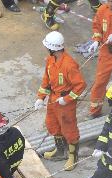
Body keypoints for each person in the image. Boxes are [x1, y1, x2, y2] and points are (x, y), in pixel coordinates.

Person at [35, 31, 86, 170]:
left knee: (69, 129)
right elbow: (46, 80)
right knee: (52, 124)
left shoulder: (69, 65)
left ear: (52, 48)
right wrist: (40, 98)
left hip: (65, 103)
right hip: (53, 99)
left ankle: (73, 157)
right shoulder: (50, 61)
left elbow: (80, 85)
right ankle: (60, 151)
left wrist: (67, 99)